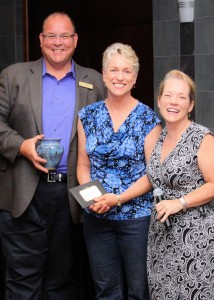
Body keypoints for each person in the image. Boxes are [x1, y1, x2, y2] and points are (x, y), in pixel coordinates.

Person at [0, 11, 106, 299]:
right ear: (40, 40)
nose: (57, 42)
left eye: (64, 36)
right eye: (51, 36)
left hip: (71, 196)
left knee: (64, 282)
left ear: (75, 40)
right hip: (24, 193)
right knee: (22, 282)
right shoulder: (13, 76)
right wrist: (22, 146)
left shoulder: (94, 81)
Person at [77, 42, 162, 300]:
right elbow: (82, 164)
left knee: (139, 290)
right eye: (114, 70)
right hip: (96, 218)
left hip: (137, 219)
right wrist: (92, 199)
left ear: (135, 78)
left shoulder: (148, 118)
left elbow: (152, 174)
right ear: (103, 74)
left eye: (127, 71)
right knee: (105, 290)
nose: (119, 77)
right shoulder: (87, 115)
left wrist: (117, 199)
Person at [146, 70, 214, 299]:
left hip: (195, 238)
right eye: (168, 95)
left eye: (182, 97)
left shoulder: (201, 137)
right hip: (161, 238)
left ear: (191, 105)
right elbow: (152, 178)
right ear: (159, 100)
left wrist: (181, 202)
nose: (174, 102)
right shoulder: (159, 137)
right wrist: (118, 197)